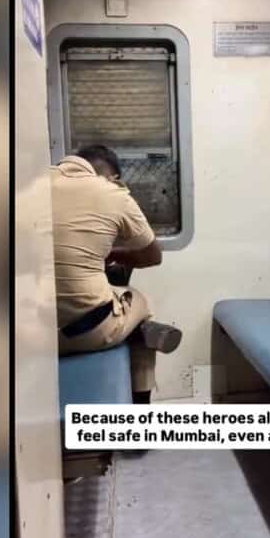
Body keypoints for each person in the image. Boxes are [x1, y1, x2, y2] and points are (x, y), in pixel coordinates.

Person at [50, 144, 182, 403]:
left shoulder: (30, 185)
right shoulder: (113, 193)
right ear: (113, 177)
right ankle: (141, 411)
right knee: (139, 303)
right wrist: (113, 255)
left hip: (27, 332)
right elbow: (152, 256)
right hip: (84, 332)